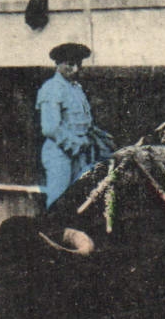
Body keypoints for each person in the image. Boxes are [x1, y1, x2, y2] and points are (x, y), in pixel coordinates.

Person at [36, 42, 112, 207]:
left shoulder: (76, 88)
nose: (75, 69)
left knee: (79, 200)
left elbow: (85, 123)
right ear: (58, 64)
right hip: (59, 153)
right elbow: (50, 128)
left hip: (80, 155)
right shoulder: (52, 88)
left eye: (78, 64)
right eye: (70, 64)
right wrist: (77, 145)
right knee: (59, 200)